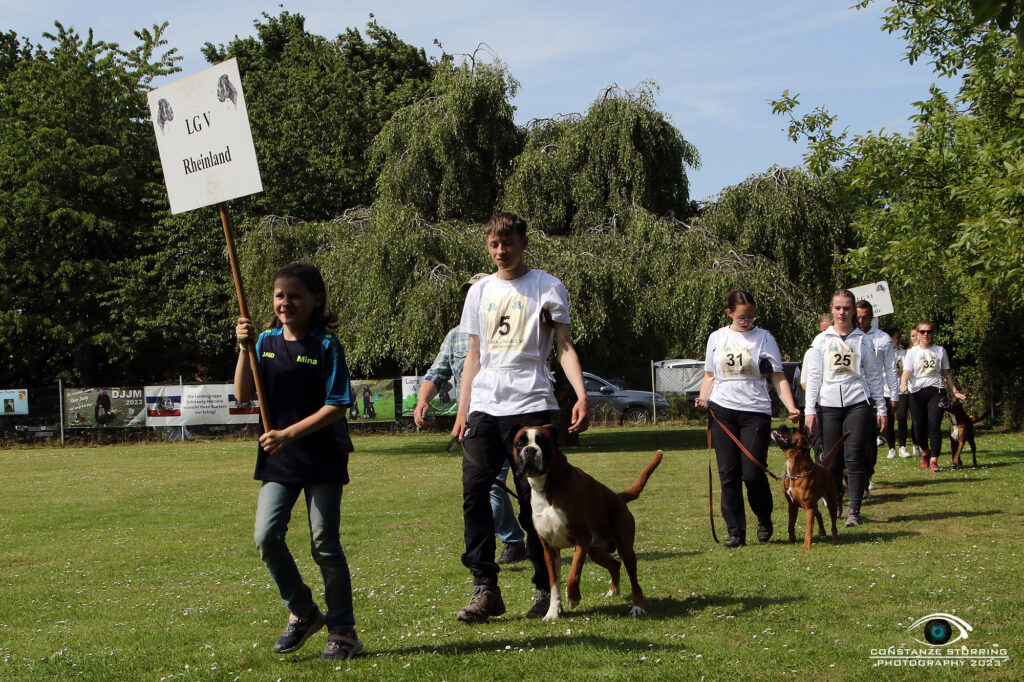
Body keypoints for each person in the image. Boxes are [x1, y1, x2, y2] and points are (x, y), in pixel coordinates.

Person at [450, 212, 589, 623]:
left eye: (507, 243)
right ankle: (485, 589)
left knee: (534, 500)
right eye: (493, 244)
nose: (500, 251)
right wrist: (463, 411)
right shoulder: (478, 292)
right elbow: (473, 356)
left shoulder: (547, 286)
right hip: (485, 407)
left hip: (531, 403)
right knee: (475, 493)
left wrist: (580, 395)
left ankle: (543, 588)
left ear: (523, 243)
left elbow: (564, 347)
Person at [234, 262, 363, 661]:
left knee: (324, 543)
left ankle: (343, 633)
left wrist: (289, 433)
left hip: (321, 456)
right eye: (279, 295)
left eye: (294, 295)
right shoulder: (265, 341)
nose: (285, 302)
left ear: (315, 300)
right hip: (279, 460)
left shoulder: (327, 345)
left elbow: (338, 405)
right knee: (265, 537)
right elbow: (242, 394)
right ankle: (303, 610)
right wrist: (242, 348)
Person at [414, 272, 529, 566]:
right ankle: (514, 541)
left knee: (497, 485)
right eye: (469, 293)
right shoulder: (455, 336)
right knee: (488, 485)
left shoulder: (508, 329)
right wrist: (423, 400)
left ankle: (493, 548)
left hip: (507, 417)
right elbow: (436, 373)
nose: (473, 298)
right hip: (473, 423)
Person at [695, 290, 800, 548]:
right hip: (722, 410)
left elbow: (778, 376)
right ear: (729, 312)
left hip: (755, 411)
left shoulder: (764, 338)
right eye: (743, 317)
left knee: (752, 473)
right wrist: (703, 398)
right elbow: (710, 374)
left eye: (752, 317)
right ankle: (736, 532)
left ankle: (763, 517)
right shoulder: (717, 337)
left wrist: (791, 406)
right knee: (728, 474)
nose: (748, 322)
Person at [803, 290, 887, 527]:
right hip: (829, 405)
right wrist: (810, 410)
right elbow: (814, 377)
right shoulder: (821, 341)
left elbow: (873, 376)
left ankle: (855, 511)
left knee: (855, 457)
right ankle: (836, 501)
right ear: (832, 309)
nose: (842, 312)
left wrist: (881, 408)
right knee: (832, 459)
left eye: (847, 308)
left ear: (853, 311)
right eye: (838, 308)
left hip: (857, 403)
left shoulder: (864, 340)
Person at [900, 321, 966, 472]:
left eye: (929, 332)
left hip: (936, 391)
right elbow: (906, 372)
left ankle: (934, 460)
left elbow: (946, 373)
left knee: (934, 425)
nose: (926, 334)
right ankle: (925, 451)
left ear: (932, 333)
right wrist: (903, 384)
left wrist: (954, 391)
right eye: (922, 332)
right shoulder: (912, 352)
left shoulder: (940, 351)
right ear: (917, 334)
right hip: (916, 392)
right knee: (918, 427)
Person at [855, 301, 898, 493]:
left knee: (869, 439)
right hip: (854, 393)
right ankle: (853, 477)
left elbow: (890, 368)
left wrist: (894, 395)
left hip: (875, 393)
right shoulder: (848, 337)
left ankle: (868, 474)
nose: (861, 321)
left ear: (872, 317)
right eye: (858, 317)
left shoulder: (883, 339)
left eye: (865, 317)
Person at [799, 313, 833, 462]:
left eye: (829, 330)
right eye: (822, 331)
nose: (825, 335)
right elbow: (804, 382)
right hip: (819, 405)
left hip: (837, 406)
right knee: (820, 449)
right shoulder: (813, 351)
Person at [883, 328, 917, 459]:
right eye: (897, 337)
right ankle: (891, 448)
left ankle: (903, 446)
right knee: (889, 420)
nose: (900, 340)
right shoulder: (883, 353)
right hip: (885, 390)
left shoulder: (904, 353)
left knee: (902, 416)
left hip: (901, 390)